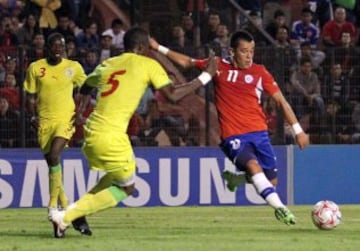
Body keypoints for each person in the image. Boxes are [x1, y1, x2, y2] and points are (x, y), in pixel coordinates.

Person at [49, 27, 217, 237]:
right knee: (127, 188)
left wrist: (79, 108)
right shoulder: (147, 64)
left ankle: (79, 212)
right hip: (111, 136)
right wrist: (206, 76)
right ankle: (65, 216)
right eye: (147, 48)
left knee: (114, 176)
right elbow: (173, 95)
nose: (149, 52)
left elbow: (86, 85)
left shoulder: (108, 63)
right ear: (140, 48)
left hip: (91, 132)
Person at [150, 30, 309, 225]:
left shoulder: (260, 72)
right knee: (253, 165)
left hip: (260, 134)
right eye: (244, 51)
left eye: (252, 51)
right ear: (232, 52)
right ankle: (281, 209)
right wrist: (159, 48)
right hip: (233, 136)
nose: (249, 56)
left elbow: (281, 101)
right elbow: (187, 62)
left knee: (271, 182)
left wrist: (298, 130)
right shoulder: (218, 66)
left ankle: (237, 180)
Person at [23, 32, 92, 238]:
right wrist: (32, 116)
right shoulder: (36, 68)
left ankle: (52, 208)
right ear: (48, 47)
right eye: (55, 45)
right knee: (54, 168)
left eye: (62, 46)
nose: (59, 49)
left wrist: (80, 112)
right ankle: (71, 216)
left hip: (65, 120)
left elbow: (88, 88)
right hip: (44, 122)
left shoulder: (74, 67)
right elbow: (30, 95)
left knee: (54, 156)